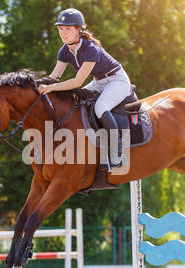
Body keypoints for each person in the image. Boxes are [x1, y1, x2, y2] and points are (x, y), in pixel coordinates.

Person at [37, 8, 133, 169]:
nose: (63, 33)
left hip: (117, 81)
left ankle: (117, 153)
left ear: (78, 30)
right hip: (99, 81)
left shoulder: (90, 48)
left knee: (101, 107)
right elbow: (54, 77)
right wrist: (35, 85)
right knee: (76, 102)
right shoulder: (64, 51)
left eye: (68, 29)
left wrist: (51, 87)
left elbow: (77, 82)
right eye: (60, 29)